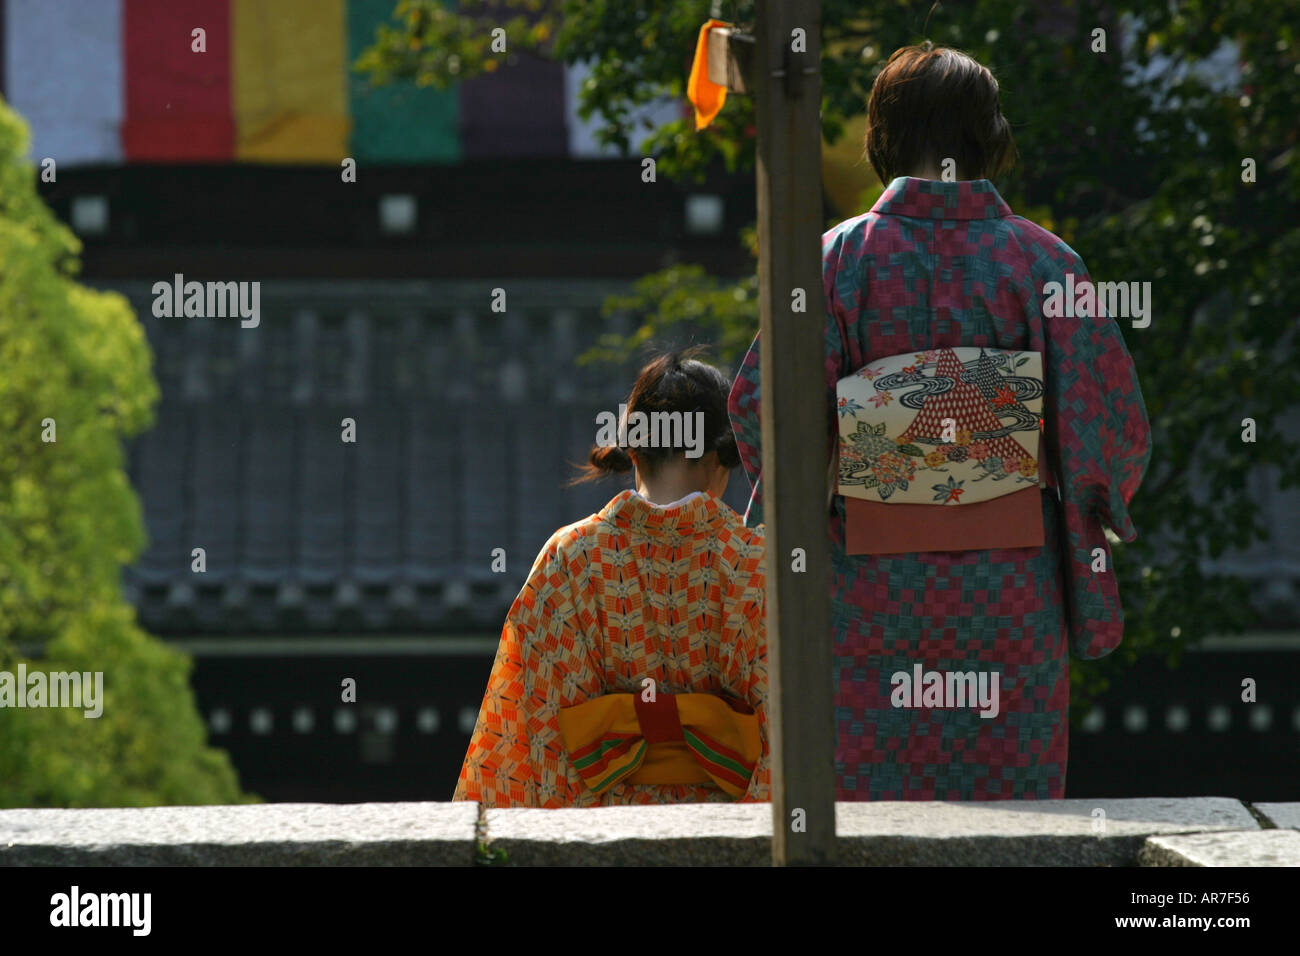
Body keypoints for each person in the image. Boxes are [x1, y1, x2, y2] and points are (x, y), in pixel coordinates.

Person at [728, 43, 1151, 800]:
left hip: (863, 592)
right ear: (988, 136)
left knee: (863, 811)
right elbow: (1108, 425)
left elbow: (763, 410)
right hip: (1007, 592)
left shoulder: (831, 262)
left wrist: (858, 470)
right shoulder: (1047, 264)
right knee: (1008, 818)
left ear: (882, 136)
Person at [455, 348, 769, 807]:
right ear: (722, 453)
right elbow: (788, 731)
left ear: (633, 449)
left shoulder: (568, 558)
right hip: (731, 832)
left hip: (602, 831)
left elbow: (534, 728)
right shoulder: (757, 563)